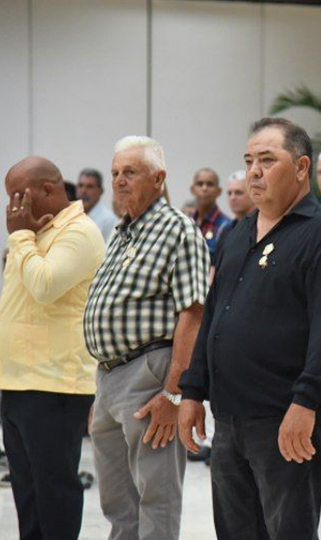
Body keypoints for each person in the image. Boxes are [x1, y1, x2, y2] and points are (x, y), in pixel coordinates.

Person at [178, 118, 321, 540]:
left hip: (287, 418)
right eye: (248, 161)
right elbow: (214, 319)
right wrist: (191, 392)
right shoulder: (238, 234)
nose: (253, 171)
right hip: (230, 418)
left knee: (288, 532)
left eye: (266, 160)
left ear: (300, 167)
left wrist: (307, 402)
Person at [0, 156, 105, 539]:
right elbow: (14, 306)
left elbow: (45, 286)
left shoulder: (79, 232)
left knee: (54, 491)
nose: (13, 206)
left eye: (19, 195)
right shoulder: (32, 232)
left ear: (48, 190)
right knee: (26, 491)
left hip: (53, 385)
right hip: (18, 381)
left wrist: (19, 237)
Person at [84, 136, 209, 540]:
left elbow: (193, 313)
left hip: (151, 374)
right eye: (116, 172)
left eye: (130, 173)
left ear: (158, 178)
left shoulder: (178, 230)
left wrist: (174, 393)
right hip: (109, 377)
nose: (120, 181)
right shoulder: (121, 232)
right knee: (117, 502)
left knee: (155, 496)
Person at [191, 167, 232, 266]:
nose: (204, 188)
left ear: (219, 191)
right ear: (193, 190)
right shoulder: (186, 223)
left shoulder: (227, 226)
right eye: (200, 184)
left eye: (210, 184)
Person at [77, 167, 118, 240]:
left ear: (100, 191)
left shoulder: (108, 220)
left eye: (89, 187)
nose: (83, 191)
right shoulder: (72, 215)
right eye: (81, 185)